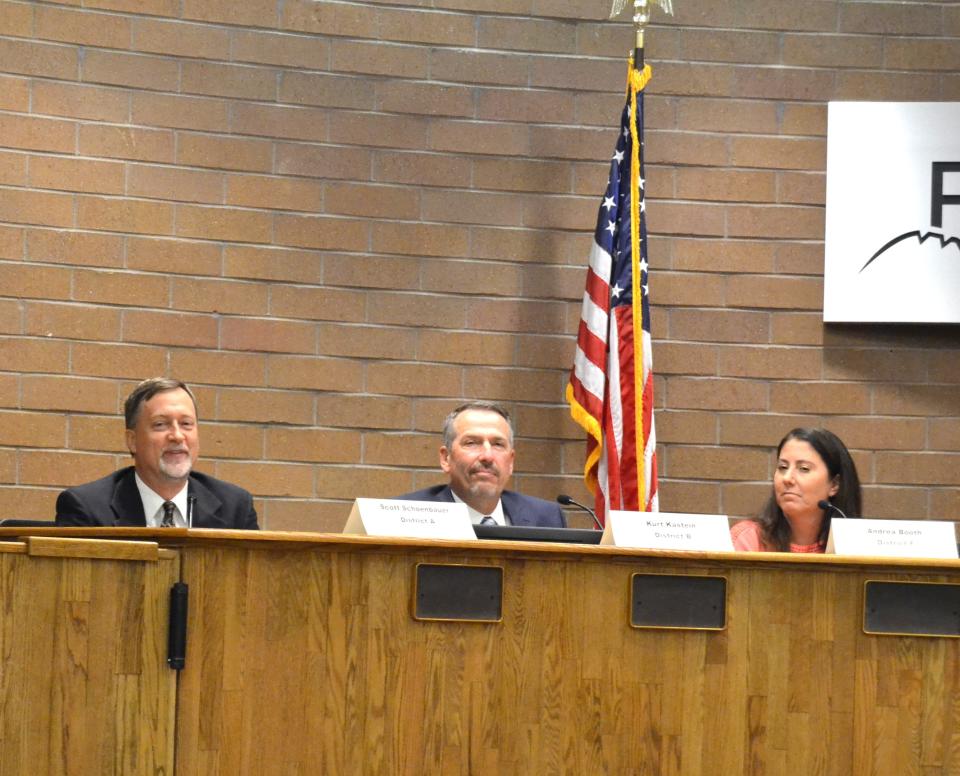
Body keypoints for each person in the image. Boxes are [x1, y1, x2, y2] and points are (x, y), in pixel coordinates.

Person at [55, 377, 259, 529]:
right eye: (161, 425)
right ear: (132, 441)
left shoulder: (236, 508)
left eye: (186, 424)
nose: (177, 436)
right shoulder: (86, 509)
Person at [397, 401, 566, 527]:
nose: (487, 456)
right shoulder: (405, 516)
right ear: (446, 458)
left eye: (498, 444)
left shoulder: (547, 518)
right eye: (472, 443)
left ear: (511, 462)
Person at [731, 427, 861, 553]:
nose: (787, 478)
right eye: (783, 467)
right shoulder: (748, 540)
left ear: (834, 485)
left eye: (803, 469)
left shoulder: (854, 545)